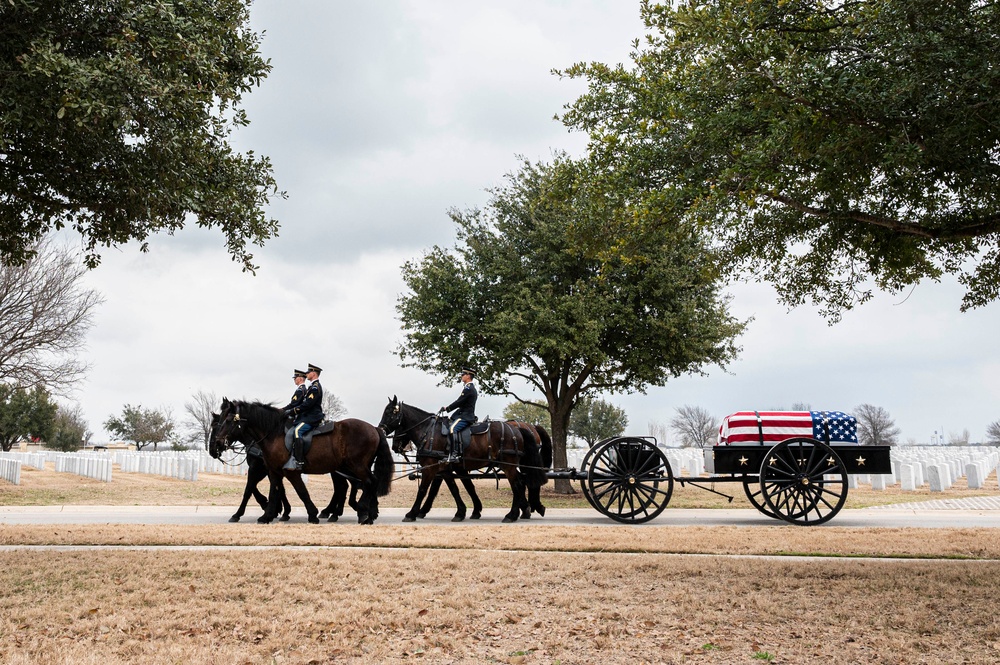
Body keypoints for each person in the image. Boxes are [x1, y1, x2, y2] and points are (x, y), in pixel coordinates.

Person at [283, 363, 324, 470]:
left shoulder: (315, 387)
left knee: (297, 431)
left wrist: (293, 411)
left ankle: (299, 461)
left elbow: (308, 404)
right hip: (307, 416)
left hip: (312, 417)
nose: (307, 374)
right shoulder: (312, 387)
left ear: (314, 374)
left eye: (308, 372)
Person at [440, 368, 477, 464]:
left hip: (466, 416)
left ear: (468, 376)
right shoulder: (468, 388)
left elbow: (459, 402)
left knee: (452, 429)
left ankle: (454, 454)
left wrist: (447, 408)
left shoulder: (468, 388)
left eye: (463, 374)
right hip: (462, 414)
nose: (461, 376)